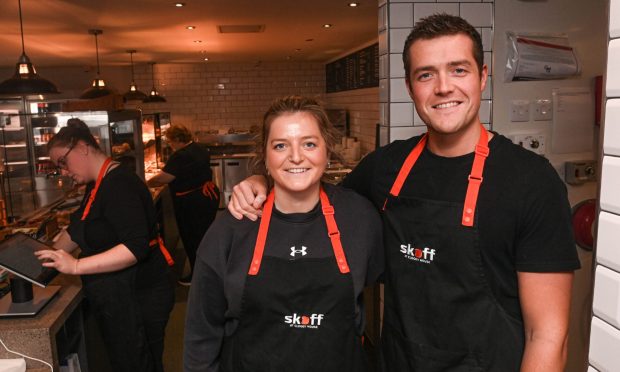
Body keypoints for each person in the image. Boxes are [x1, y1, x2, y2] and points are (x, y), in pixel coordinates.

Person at [228, 14, 580, 371]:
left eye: (459, 70)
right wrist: (265, 182)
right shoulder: (386, 167)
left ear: (483, 77)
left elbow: (549, 335)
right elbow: (315, 203)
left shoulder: (531, 181)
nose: (443, 87)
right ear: (411, 88)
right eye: (426, 74)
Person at [183, 96, 383, 372]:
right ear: (265, 157)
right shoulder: (232, 226)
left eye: (309, 144)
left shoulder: (360, 217)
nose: (296, 157)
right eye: (280, 146)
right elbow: (201, 333)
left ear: (327, 151)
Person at [36, 118, 175, 372]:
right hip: (120, 297)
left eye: (63, 163)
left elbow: (135, 248)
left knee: (140, 364)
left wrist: (76, 265)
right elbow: (78, 229)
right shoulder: (97, 185)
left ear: (82, 147)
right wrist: (39, 257)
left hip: (139, 293)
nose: (64, 172)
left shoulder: (119, 185)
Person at [147, 124, 219, 286]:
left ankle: (197, 276)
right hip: (207, 197)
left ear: (179, 140)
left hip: (192, 203)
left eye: (171, 142)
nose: (170, 145)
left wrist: (146, 183)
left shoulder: (180, 156)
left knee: (192, 238)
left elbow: (162, 179)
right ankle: (208, 271)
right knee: (203, 236)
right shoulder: (198, 148)